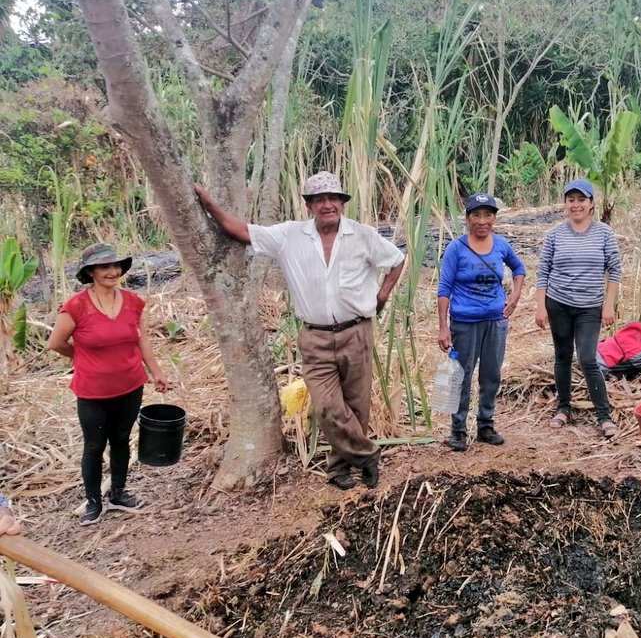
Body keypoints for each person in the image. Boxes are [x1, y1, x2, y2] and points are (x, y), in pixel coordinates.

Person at [194, 172, 404, 491]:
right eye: (319, 199)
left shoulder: (364, 236)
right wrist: (207, 202)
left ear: (342, 204)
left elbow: (397, 260)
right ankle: (367, 455)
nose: (327, 204)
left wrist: (383, 294)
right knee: (326, 406)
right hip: (315, 337)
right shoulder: (289, 236)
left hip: (357, 332)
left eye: (333, 198)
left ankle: (339, 470)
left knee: (356, 406)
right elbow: (241, 231)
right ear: (308, 206)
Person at [48, 243, 170, 526]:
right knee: (93, 445)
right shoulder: (76, 306)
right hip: (92, 390)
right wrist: (82, 357)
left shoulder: (133, 302)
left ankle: (118, 492)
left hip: (130, 383)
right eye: (104, 267)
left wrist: (156, 372)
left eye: (115, 266)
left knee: (121, 439)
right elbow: (55, 343)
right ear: (90, 272)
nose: (112, 271)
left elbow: (142, 341)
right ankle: (93, 501)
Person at [437, 193, 526, 452]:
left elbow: (519, 269)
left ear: (494, 219)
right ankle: (458, 430)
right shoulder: (456, 249)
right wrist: (443, 327)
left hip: (495, 321)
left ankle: (486, 424)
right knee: (461, 376)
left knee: (491, 374)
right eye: (476, 215)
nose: (482, 221)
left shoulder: (501, 245)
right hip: (464, 323)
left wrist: (516, 294)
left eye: (488, 215)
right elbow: (444, 289)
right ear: (466, 219)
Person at [535, 178, 622, 436]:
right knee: (562, 356)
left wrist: (608, 306)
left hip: (589, 307)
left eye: (581, 200)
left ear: (591, 203)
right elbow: (543, 273)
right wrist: (541, 307)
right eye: (571, 200)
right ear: (565, 204)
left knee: (587, 358)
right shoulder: (554, 235)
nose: (576, 205)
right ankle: (563, 408)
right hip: (558, 303)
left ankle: (604, 416)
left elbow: (615, 271)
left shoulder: (604, 233)